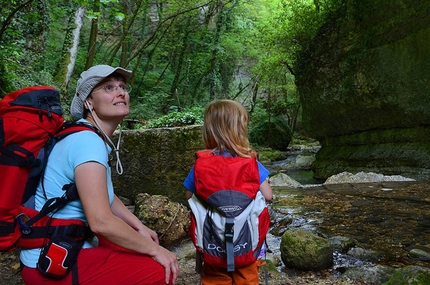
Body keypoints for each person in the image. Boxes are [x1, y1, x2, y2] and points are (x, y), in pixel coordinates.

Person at [20, 65, 179, 284]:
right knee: (159, 270)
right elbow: (100, 222)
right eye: (109, 87)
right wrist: (155, 250)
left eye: (122, 86)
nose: (121, 92)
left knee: (136, 247)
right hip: (52, 262)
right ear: (88, 102)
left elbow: (106, 198)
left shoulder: (85, 135)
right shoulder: (88, 142)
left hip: (57, 248)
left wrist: (139, 226)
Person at [183, 99, 272, 285]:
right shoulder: (251, 163)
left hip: (213, 241)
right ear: (240, 130)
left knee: (214, 277)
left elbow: (189, 197)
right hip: (245, 241)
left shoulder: (201, 165)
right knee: (247, 275)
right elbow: (268, 195)